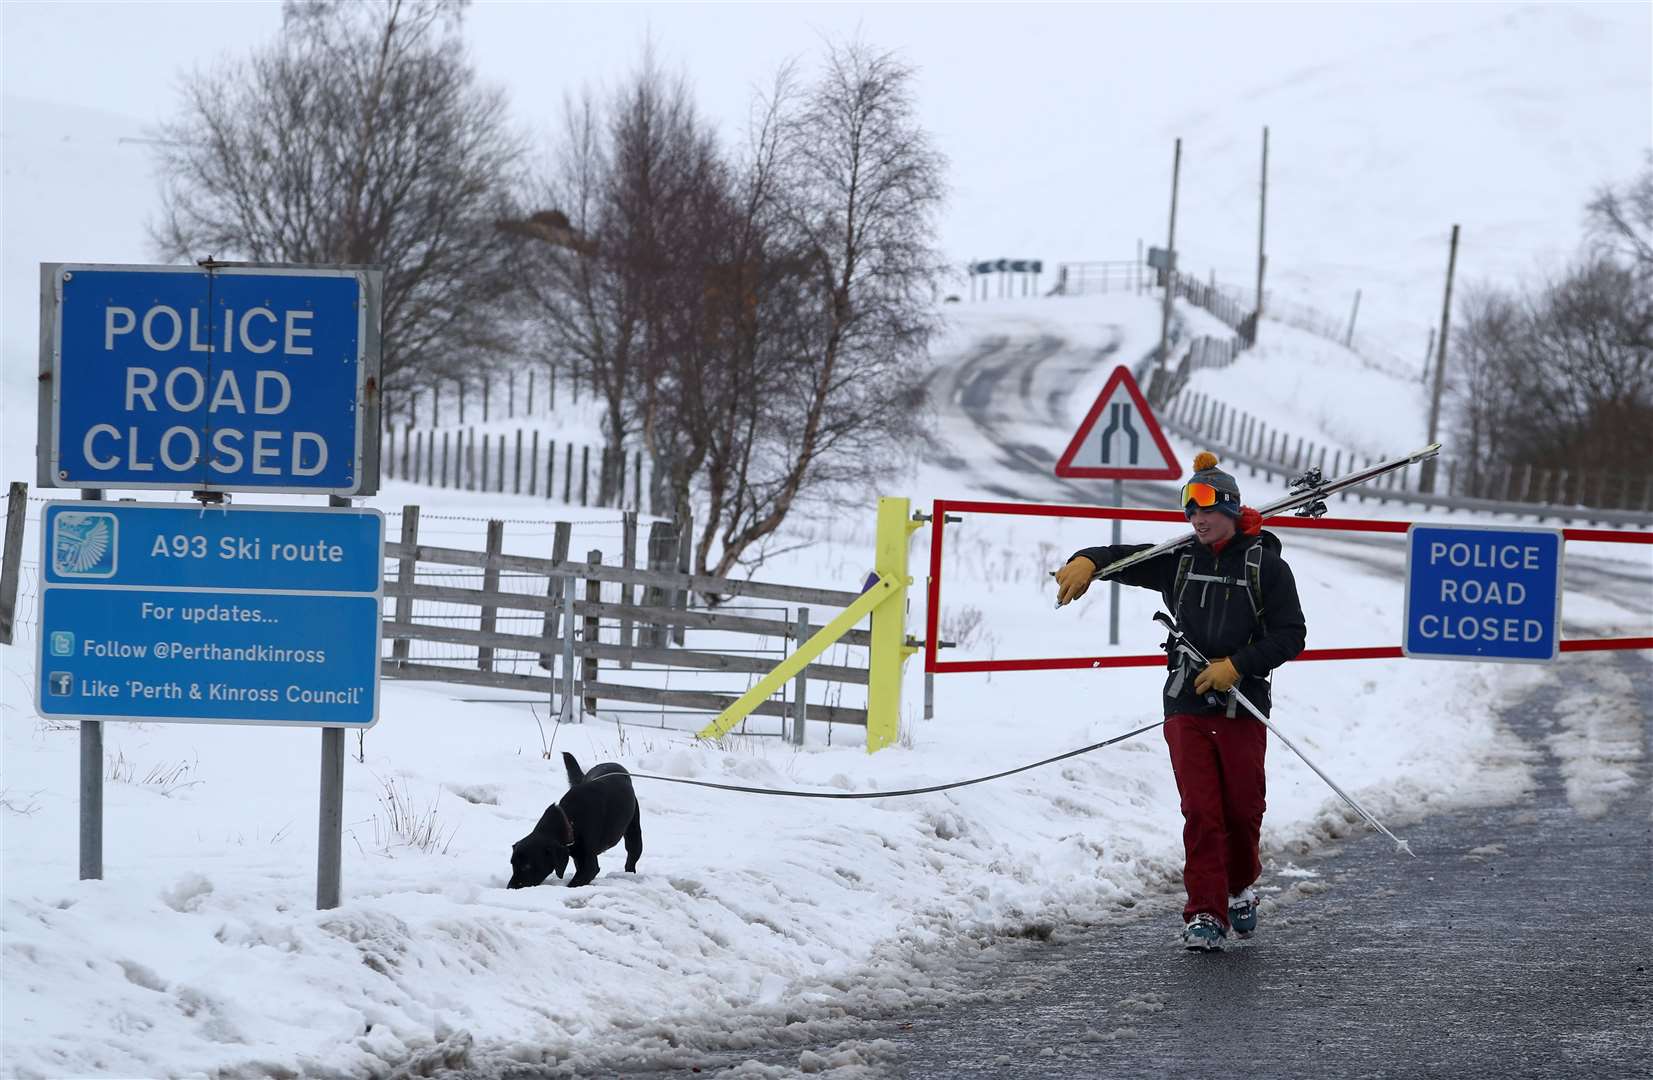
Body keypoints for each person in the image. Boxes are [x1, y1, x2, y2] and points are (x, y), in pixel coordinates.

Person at [1053, 451, 1306, 952]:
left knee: (1242, 811)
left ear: (1231, 509)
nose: (1197, 519)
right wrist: (1089, 561)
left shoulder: (1267, 568)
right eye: (1190, 510)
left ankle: (1239, 887)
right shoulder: (1180, 560)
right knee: (1202, 812)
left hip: (1242, 703)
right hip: (1186, 703)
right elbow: (1119, 559)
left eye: (1207, 509)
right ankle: (1205, 913)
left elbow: (1291, 635)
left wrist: (1237, 665)